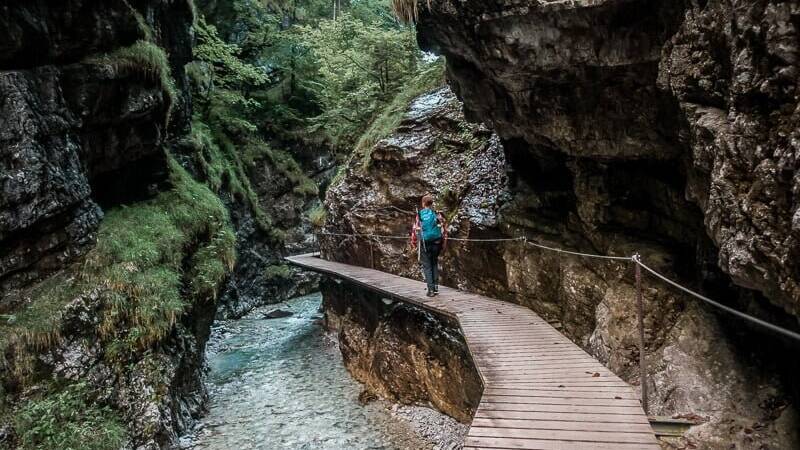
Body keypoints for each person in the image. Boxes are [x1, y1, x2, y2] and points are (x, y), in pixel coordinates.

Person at [410, 194, 447, 297]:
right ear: (432, 203)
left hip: (425, 243)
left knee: (427, 266)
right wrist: (443, 242)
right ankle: (435, 288)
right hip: (436, 242)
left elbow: (415, 229)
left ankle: (430, 290)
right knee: (434, 263)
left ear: (423, 203)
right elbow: (443, 228)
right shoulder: (436, 213)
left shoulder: (420, 214)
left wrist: (413, 242)